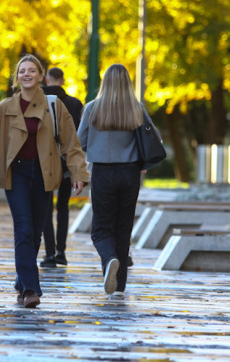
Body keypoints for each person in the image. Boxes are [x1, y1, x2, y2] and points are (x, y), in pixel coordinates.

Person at [0, 55, 88, 309]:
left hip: (44, 174)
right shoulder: (4, 108)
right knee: (23, 229)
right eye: (22, 70)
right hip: (18, 174)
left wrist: (79, 173)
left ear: (40, 76)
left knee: (35, 233)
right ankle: (31, 289)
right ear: (17, 77)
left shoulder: (55, 106)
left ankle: (22, 280)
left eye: (32, 70)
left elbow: (71, 143)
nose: (26, 74)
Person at [77, 63, 161, 296]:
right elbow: (154, 138)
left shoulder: (93, 108)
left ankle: (110, 259)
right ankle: (119, 284)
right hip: (130, 172)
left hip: (103, 172)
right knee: (123, 227)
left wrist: (96, 143)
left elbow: (79, 141)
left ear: (105, 82)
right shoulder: (136, 108)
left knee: (100, 229)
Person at [39, 67, 83, 268]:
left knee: (46, 208)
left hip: (44, 162)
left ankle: (49, 254)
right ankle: (61, 252)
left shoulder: (37, 99)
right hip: (66, 163)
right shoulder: (74, 104)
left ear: (47, 79)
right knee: (63, 206)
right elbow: (78, 137)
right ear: (63, 81)